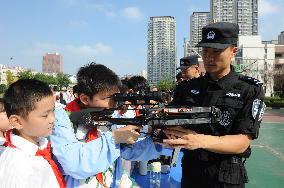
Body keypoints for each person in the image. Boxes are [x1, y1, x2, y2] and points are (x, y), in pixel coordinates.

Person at [163, 22, 265, 188]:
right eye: (205, 50)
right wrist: (160, 128)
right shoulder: (188, 87)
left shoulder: (249, 89)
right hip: (191, 174)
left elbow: (242, 142)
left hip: (225, 179)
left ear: (233, 51)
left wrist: (199, 140)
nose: (209, 57)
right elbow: (171, 119)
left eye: (216, 51)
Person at [51, 63, 161, 188]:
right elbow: (74, 164)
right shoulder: (62, 119)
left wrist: (157, 138)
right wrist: (115, 138)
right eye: (109, 98)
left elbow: (126, 152)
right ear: (85, 99)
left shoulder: (106, 115)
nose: (114, 104)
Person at [0, 79, 66, 188]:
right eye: (45, 115)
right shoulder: (17, 167)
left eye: (53, 111)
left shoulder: (42, 145)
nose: (52, 119)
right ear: (17, 122)